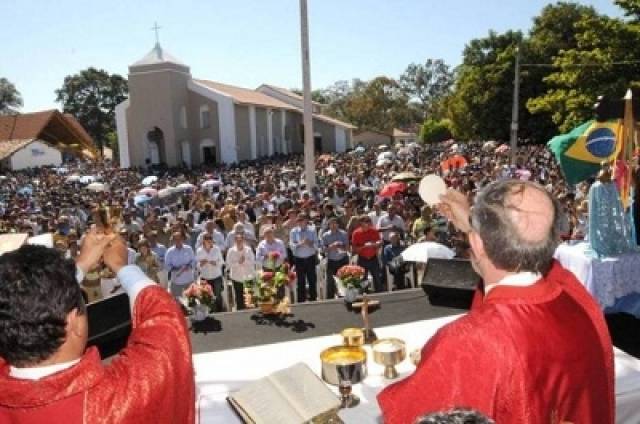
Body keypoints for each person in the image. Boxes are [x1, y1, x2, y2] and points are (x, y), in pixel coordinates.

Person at [377, 180, 614, 423]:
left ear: (477, 243)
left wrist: (478, 228)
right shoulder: (576, 297)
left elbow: (408, 414)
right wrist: (474, 224)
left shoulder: (466, 344)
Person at [0, 228, 195, 423]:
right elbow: (166, 327)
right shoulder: (114, 405)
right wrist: (122, 266)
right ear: (73, 323)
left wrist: (81, 264)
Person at [289, 213, 319, 302]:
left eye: (301, 220)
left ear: (306, 220)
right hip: (299, 259)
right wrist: (300, 244)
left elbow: (317, 245)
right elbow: (291, 246)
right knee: (300, 281)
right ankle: (301, 301)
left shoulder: (312, 230)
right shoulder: (293, 231)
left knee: (312, 279)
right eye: (298, 220)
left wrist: (310, 243)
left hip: (310, 258)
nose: (299, 222)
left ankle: (313, 299)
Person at [351, 215, 383, 292]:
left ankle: (379, 294)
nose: (368, 224)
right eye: (366, 222)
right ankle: (364, 297)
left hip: (373, 258)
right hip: (362, 259)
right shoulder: (356, 233)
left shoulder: (374, 231)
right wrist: (364, 246)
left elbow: (380, 242)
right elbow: (354, 249)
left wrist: (375, 244)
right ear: (361, 223)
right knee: (363, 280)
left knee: (377, 278)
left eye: (369, 222)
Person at [321, 217, 350, 299]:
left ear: (338, 224)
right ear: (329, 225)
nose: (333, 225)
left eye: (335, 223)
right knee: (330, 282)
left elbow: (347, 248)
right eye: (331, 224)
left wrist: (340, 245)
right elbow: (323, 250)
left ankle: (345, 297)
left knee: (344, 280)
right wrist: (331, 246)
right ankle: (330, 300)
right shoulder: (325, 235)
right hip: (331, 261)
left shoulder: (343, 233)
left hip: (343, 259)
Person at [226, 232, 255, 310]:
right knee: (239, 298)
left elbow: (252, 261)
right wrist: (238, 263)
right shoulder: (231, 251)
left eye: (240, 240)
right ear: (235, 241)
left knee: (250, 297)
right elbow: (229, 264)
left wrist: (244, 261)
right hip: (236, 277)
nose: (239, 242)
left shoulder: (248, 249)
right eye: (237, 240)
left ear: (243, 240)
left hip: (249, 276)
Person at [196, 233, 225, 312]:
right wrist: (201, 263)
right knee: (206, 296)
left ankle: (220, 311)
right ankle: (210, 312)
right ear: (204, 241)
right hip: (205, 277)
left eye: (210, 241)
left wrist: (215, 263)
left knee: (218, 295)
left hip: (216, 276)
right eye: (207, 241)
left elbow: (222, 262)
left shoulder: (216, 249)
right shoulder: (199, 250)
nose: (209, 242)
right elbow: (197, 265)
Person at [164, 231, 196, 300]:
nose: (178, 241)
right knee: (177, 304)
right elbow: (166, 266)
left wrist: (188, 266)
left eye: (179, 239)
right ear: (173, 240)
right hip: (176, 283)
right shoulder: (169, 251)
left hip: (189, 281)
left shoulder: (189, 249)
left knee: (191, 302)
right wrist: (176, 269)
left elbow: (194, 261)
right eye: (176, 239)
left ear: (183, 239)